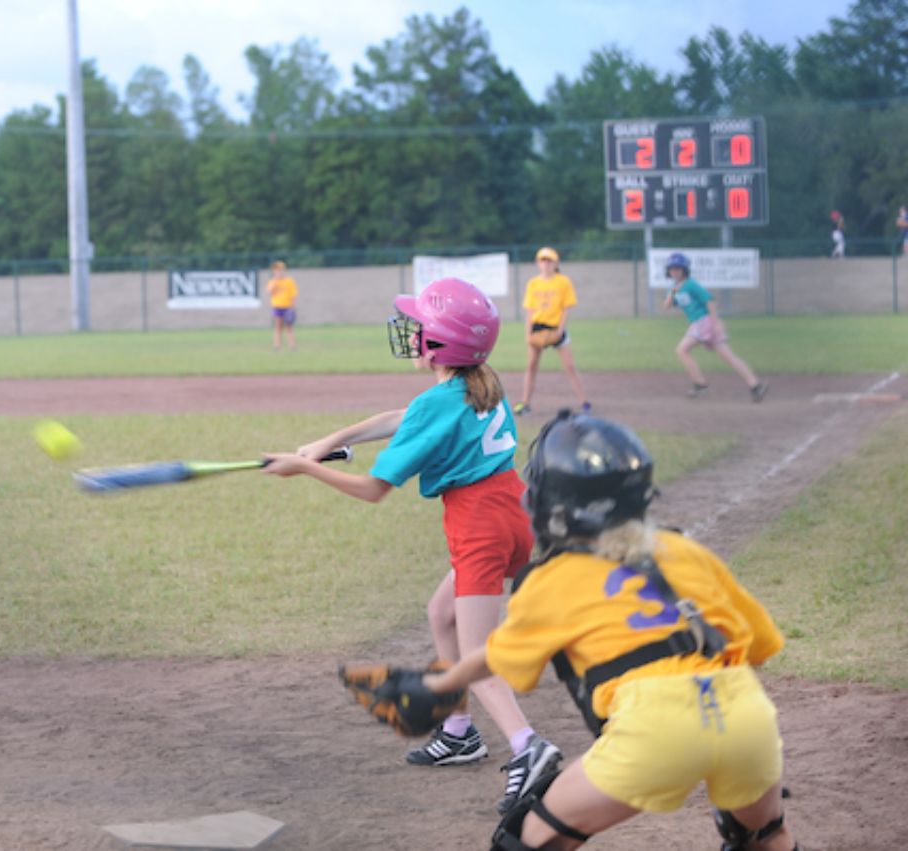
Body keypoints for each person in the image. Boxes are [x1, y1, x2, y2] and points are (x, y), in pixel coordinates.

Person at [417, 410, 800, 851]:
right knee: (764, 837)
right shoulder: (683, 550)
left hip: (654, 729)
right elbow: (761, 646)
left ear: (550, 502)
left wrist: (441, 682)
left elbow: (511, 668)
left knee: (526, 839)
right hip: (746, 716)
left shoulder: (550, 578)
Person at [262, 277, 561, 815]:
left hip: (480, 529)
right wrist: (330, 442)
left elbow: (374, 490)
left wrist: (305, 468)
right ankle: (459, 729)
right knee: (440, 613)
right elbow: (398, 419)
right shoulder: (479, 384)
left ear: (443, 345)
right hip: (516, 516)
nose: (412, 332)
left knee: (475, 657)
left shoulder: (440, 401)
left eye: (421, 326)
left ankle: (528, 748)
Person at [662, 252, 768, 402]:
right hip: (698, 323)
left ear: (685, 270)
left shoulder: (691, 284)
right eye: (672, 269)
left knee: (682, 350)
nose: (675, 271)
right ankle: (756, 386)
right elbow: (666, 306)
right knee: (727, 356)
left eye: (678, 269)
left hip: (703, 321)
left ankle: (700, 385)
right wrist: (672, 292)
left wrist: (716, 323)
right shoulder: (674, 288)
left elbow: (709, 301)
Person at [514, 247, 591, 417]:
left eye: (549, 260)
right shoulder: (533, 283)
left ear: (555, 263)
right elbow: (530, 311)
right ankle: (525, 403)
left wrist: (560, 330)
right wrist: (528, 334)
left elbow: (566, 308)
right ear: (537, 263)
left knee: (569, 366)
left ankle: (584, 402)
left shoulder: (563, 281)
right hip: (538, 327)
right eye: (542, 260)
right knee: (531, 365)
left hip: (556, 328)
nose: (546, 263)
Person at [266, 260, 298, 351]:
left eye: (280, 270)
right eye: (276, 270)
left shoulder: (289, 281)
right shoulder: (273, 281)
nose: (278, 272)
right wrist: (275, 281)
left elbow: (293, 295)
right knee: (278, 327)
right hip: (277, 306)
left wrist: (292, 308)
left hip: (287, 306)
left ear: (284, 270)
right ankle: (277, 346)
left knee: (289, 327)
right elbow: (269, 292)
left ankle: (292, 345)